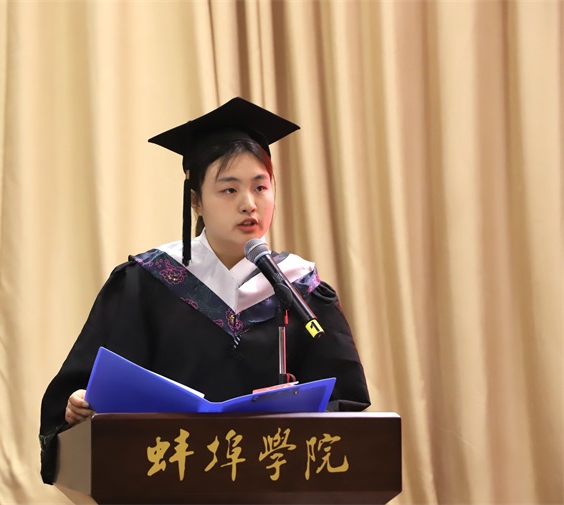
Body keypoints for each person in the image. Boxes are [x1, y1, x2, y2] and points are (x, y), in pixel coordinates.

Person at [39, 97, 370, 484]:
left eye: (261, 187)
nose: (249, 204)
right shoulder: (148, 281)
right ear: (196, 200)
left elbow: (345, 404)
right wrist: (79, 405)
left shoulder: (300, 289)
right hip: (167, 482)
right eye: (229, 190)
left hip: (272, 483)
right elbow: (85, 390)